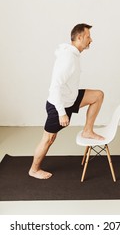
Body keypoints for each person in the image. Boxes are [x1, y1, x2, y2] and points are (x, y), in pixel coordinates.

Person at [29, 23, 104, 179]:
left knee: (97, 95)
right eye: (88, 36)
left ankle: (87, 130)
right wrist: (62, 113)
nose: (91, 40)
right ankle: (34, 169)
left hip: (71, 98)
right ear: (79, 37)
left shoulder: (72, 53)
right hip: (59, 105)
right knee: (49, 139)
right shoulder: (68, 58)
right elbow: (55, 87)